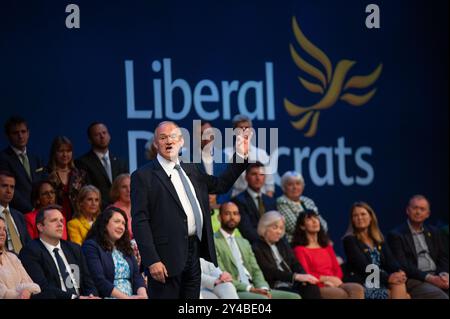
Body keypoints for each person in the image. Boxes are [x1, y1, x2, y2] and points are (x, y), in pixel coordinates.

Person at [131, 121, 250, 299]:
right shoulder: (143, 176)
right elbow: (140, 221)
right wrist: (152, 260)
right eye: (163, 138)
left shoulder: (191, 168)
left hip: (193, 253)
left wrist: (240, 156)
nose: (168, 141)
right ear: (156, 144)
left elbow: (221, 185)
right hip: (165, 257)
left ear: (181, 142)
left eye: (173, 137)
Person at [214, 202, 300, 299]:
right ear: (219, 217)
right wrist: (249, 289)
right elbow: (220, 273)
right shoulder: (214, 241)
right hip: (234, 289)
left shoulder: (244, 242)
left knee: (294, 297)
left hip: (254, 287)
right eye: (227, 213)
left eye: (235, 213)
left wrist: (263, 288)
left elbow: (256, 270)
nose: (232, 217)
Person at [19, 205, 99, 299]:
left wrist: (91, 296)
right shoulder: (30, 251)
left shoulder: (74, 249)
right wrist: (75, 298)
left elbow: (88, 281)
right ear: (40, 227)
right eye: (54, 220)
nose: (60, 224)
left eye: (61, 220)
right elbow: (43, 287)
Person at [342, 202, 410, 299]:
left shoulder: (379, 240)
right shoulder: (349, 240)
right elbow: (364, 267)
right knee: (405, 295)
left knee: (399, 283)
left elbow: (391, 261)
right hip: (364, 282)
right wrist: (388, 278)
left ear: (370, 217)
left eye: (363, 214)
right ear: (352, 220)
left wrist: (399, 271)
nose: (359, 218)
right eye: (355, 216)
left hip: (381, 280)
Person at [291, 210, 364, 299]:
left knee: (357, 288)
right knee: (341, 294)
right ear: (302, 226)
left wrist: (334, 280)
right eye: (309, 219)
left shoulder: (326, 247)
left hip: (335, 282)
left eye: (316, 218)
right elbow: (306, 273)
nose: (314, 221)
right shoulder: (300, 250)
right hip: (317, 285)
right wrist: (326, 279)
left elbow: (337, 269)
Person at [388, 195, 449, 299]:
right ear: (407, 210)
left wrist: (444, 274)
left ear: (428, 214)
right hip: (415, 279)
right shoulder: (396, 234)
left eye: (422, 209)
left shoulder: (434, 232)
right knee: (441, 297)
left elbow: (443, 257)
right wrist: (430, 278)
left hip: (437, 275)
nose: (418, 212)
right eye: (415, 208)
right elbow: (403, 264)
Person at [253, 211, 322, 299]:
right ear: (264, 227)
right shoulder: (257, 247)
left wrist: (304, 276)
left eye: (281, 228)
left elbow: (295, 263)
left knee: (311, 287)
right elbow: (269, 271)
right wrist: (295, 277)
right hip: (275, 285)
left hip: (291, 282)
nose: (279, 231)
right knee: (296, 294)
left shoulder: (282, 243)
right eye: (275, 228)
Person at [82, 206, 147, 299]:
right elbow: (99, 280)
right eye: (117, 222)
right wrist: (127, 298)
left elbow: (137, 276)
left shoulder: (125, 247)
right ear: (105, 223)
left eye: (123, 224)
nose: (121, 227)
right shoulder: (91, 246)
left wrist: (142, 295)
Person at [75, 122, 128, 207]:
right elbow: (87, 190)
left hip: (120, 211)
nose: (102, 136)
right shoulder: (82, 163)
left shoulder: (121, 162)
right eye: (97, 134)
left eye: (104, 133)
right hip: (97, 210)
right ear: (90, 140)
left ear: (109, 136)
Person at [224, 115, 276, 198]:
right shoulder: (226, 154)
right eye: (241, 128)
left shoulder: (261, 154)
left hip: (259, 201)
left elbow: (269, 185)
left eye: (247, 128)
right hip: (235, 201)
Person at [0, 116, 44, 213]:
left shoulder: (35, 158)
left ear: (28, 133)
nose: (20, 136)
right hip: (17, 213)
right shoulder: (3, 159)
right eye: (15, 133)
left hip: (39, 212)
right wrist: (31, 209)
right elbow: (10, 189)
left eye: (23, 132)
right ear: (8, 135)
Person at [232, 162, 276, 245]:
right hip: (254, 245)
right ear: (246, 177)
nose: (258, 178)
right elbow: (246, 230)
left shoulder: (271, 201)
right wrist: (266, 241)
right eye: (254, 174)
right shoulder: (238, 201)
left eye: (261, 175)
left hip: (273, 243)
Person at [276, 171, 328, 243]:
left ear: (303, 186)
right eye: (290, 184)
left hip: (315, 242)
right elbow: (294, 226)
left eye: (298, 184)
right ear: (283, 187)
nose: (295, 187)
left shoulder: (308, 201)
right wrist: (315, 229)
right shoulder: (281, 202)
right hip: (295, 244)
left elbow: (323, 225)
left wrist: (313, 229)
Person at [47, 136, 87, 221]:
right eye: (61, 151)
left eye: (68, 151)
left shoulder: (79, 174)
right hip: (54, 218)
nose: (65, 155)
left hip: (77, 219)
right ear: (54, 153)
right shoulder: (47, 174)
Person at [0, 216, 41, 299]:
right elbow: (3, 294)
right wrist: (22, 291)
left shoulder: (12, 257)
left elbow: (36, 287)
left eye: (4, 229)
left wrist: (25, 291)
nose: (2, 233)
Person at [0, 171, 30, 254]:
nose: (9, 191)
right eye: (4, 186)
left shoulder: (19, 216)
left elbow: (28, 243)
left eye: (12, 187)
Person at [110, 174, 133, 239]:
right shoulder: (112, 210)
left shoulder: (141, 207)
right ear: (117, 190)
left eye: (130, 186)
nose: (128, 190)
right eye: (124, 187)